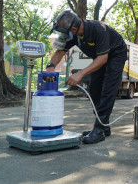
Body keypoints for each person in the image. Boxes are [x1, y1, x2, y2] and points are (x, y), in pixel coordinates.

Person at [47, 9, 127, 144]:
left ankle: (99, 130)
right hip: (100, 56)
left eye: (64, 32)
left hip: (116, 54)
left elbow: (102, 59)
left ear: (73, 28)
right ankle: (103, 125)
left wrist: (80, 73)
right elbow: (60, 51)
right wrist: (50, 67)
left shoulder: (97, 29)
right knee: (94, 89)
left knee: (108, 89)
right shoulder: (73, 35)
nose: (62, 36)